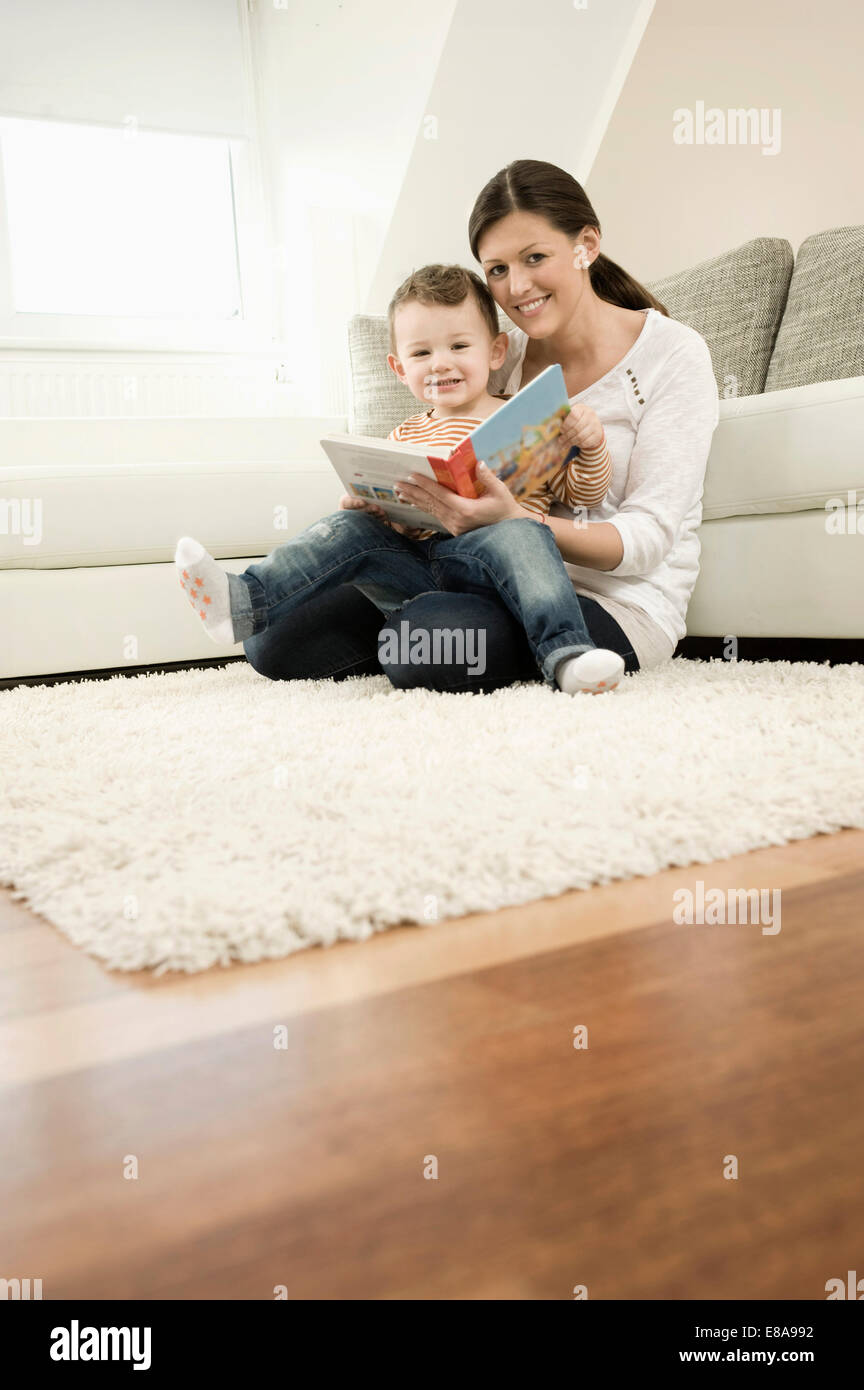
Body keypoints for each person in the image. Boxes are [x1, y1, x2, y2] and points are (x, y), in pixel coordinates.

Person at [226, 159, 720, 694]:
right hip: (469, 574)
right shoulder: (494, 360)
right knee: (273, 640)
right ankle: (426, 616)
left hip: (612, 603)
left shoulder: (673, 355)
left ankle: (549, 651)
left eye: (535, 258)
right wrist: (391, 504)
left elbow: (646, 541)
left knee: (419, 642)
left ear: (586, 246)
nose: (517, 287)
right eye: (498, 269)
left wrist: (516, 522)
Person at [175, 261, 627, 694]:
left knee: (523, 533)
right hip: (415, 568)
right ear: (399, 368)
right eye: (422, 352)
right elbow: (397, 522)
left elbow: (584, 494)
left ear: (495, 351)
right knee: (348, 525)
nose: (440, 363)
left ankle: (568, 656)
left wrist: (590, 444)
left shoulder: (526, 418)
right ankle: (243, 603)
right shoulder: (403, 435)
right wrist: (372, 510)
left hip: (496, 572)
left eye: (459, 346)